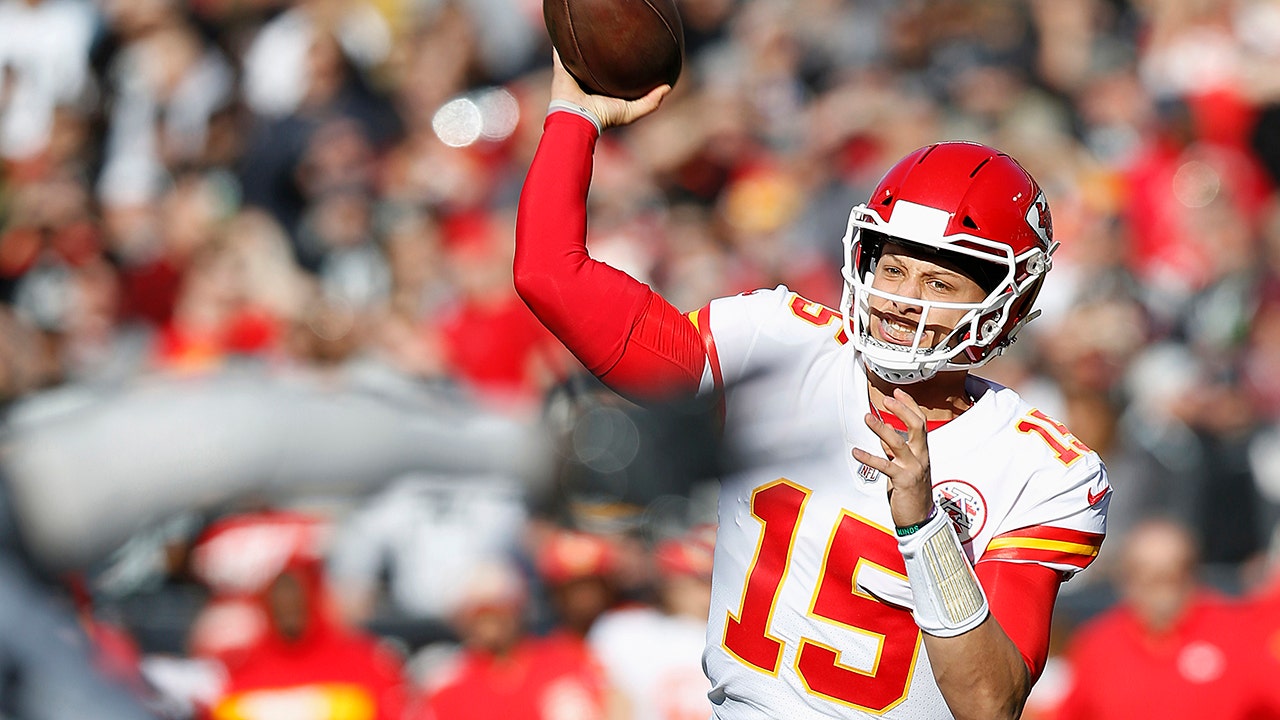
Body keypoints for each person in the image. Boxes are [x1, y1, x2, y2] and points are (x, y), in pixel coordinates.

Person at [512, 54, 1110, 719]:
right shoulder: (780, 343)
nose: (901, 300)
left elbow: (989, 703)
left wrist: (922, 526)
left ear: (1006, 302)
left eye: (938, 283)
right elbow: (549, 275)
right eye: (892, 268)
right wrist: (575, 117)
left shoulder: (1041, 468)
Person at [1053, 518, 1275, 720]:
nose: (1160, 591)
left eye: (1171, 575)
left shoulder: (1238, 634)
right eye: (1147, 576)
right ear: (1126, 581)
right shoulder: (1099, 644)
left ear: (1191, 573)